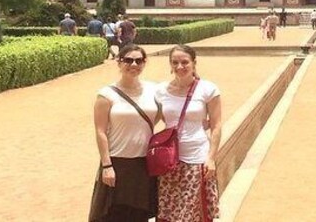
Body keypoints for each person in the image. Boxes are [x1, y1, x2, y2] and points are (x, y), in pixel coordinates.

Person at [89, 44, 158, 222]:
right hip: (117, 162)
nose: (133, 64)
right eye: (128, 60)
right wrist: (107, 165)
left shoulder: (154, 90)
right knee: (113, 214)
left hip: (143, 162)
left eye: (138, 60)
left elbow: (169, 109)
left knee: (139, 214)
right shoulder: (106, 94)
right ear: (119, 63)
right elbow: (100, 131)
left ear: (144, 63)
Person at [155, 45, 221, 222]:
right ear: (170, 64)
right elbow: (157, 119)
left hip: (197, 158)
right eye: (175, 62)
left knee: (194, 213)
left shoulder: (207, 89)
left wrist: (211, 158)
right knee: (169, 213)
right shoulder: (160, 91)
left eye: (185, 62)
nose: (179, 66)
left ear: (194, 63)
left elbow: (216, 125)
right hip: (169, 162)